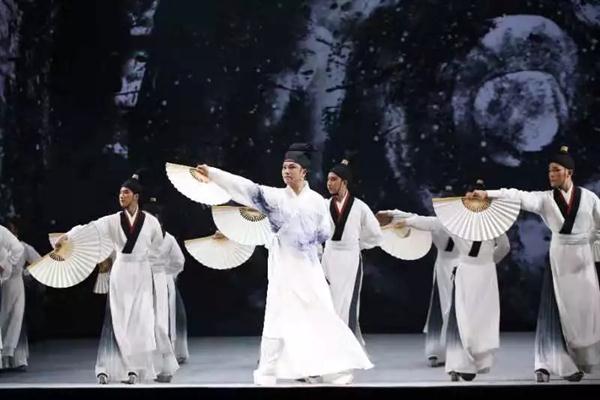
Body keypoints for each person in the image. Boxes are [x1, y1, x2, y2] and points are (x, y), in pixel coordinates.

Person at [194, 143, 373, 385]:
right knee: (275, 318)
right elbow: (245, 187)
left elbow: (324, 233)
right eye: (284, 167)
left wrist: (300, 238)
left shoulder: (317, 201)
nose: (286, 171)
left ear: (304, 172)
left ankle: (332, 368)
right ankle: (267, 372)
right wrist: (214, 173)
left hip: (308, 269)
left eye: (292, 167)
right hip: (283, 269)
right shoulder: (275, 197)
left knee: (321, 315)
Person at [467, 146, 600, 382]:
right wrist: (488, 194)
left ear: (569, 172)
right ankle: (546, 363)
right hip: (559, 258)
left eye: (556, 170)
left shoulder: (589, 198)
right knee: (554, 308)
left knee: (587, 311)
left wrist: (593, 244)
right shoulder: (544, 199)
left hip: (584, 258)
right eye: (549, 171)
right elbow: (517, 195)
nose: (551, 174)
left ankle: (582, 358)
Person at [56, 173, 166, 384]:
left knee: (141, 320)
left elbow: (157, 247)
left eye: (126, 192)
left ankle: (138, 367)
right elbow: (90, 228)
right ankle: (127, 368)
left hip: (142, 272)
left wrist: (152, 268)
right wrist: (68, 236)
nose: (121, 196)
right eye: (120, 193)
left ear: (136, 196)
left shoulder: (151, 222)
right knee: (120, 319)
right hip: (122, 270)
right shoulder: (113, 220)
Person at [376, 186, 459, 368]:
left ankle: (441, 351)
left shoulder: (436, 222)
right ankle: (453, 351)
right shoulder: (464, 224)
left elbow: (413, 218)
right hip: (457, 267)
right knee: (455, 309)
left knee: (445, 308)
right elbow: (413, 218)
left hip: (448, 268)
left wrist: (392, 214)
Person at [322, 159, 381, 344]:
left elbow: (376, 234)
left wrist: (357, 244)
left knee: (347, 302)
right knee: (326, 300)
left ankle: (346, 346)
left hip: (350, 259)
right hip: (328, 257)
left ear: (344, 182)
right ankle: (328, 344)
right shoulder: (323, 205)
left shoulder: (360, 207)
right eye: (328, 179)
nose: (329, 183)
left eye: (333, 179)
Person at [0, 218, 41, 370]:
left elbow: (39, 262)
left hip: (15, 284)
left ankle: (15, 359)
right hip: (3, 284)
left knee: (16, 319)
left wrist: (25, 273)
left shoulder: (23, 247)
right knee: (4, 318)